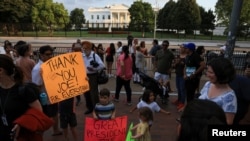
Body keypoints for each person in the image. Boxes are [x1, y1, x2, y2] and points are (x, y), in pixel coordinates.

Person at [0, 54, 43, 141]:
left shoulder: (24, 90)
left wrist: (21, 123)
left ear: (1, 71)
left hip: (22, 135)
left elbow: (38, 111)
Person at [31, 45, 62, 136]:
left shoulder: (49, 65)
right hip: (45, 97)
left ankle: (55, 130)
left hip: (53, 95)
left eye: (51, 54)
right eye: (47, 54)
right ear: (41, 55)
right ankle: (39, 135)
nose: (50, 56)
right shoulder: (38, 69)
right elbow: (36, 86)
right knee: (45, 117)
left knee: (55, 113)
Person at [199, 57, 237, 125]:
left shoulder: (229, 97)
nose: (207, 75)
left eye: (211, 72)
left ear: (221, 74)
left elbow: (228, 122)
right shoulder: (208, 84)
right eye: (207, 71)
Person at [82, 41, 105, 114]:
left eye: (86, 48)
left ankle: (96, 108)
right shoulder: (82, 56)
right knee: (86, 93)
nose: (84, 50)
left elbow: (102, 65)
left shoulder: (95, 56)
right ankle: (90, 108)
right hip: (84, 76)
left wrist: (94, 69)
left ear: (90, 48)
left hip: (92, 76)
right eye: (83, 48)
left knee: (93, 93)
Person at [172, 44, 187, 110]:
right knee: (178, 88)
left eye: (182, 48)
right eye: (180, 48)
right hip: (177, 74)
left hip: (182, 75)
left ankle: (182, 102)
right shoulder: (178, 56)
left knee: (182, 89)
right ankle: (179, 100)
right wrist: (176, 63)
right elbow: (174, 66)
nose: (180, 49)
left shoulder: (187, 57)